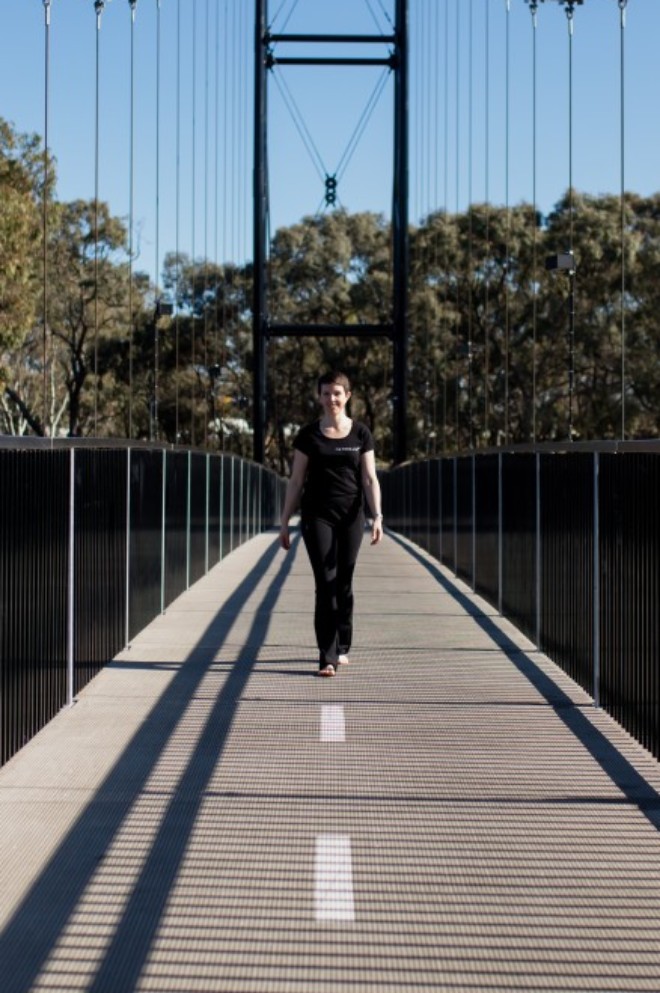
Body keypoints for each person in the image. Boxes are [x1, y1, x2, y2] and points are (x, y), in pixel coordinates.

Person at [279, 370, 383, 676]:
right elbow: (296, 481)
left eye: (337, 393)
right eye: (326, 393)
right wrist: (285, 522)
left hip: (352, 516)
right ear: (319, 396)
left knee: (344, 583)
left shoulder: (361, 433)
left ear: (347, 396)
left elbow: (369, 478)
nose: (331, 399)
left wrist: (377, 516)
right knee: (325, 584)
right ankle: (327, 655)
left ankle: (343, 641)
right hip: (317, 516)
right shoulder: (308, 435)